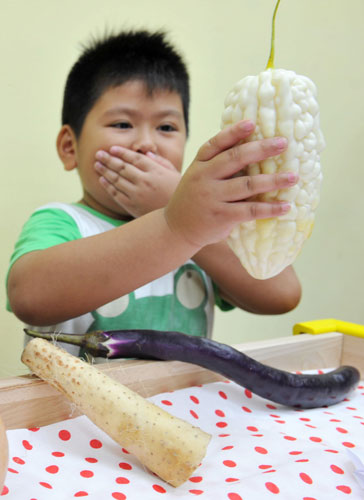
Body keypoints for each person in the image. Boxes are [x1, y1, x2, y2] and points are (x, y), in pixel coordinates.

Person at [6, 30, 301, 357]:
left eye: (166, 128)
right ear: (69, 147)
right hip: (76, 408)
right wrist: (173, 224)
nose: (147, 143)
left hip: (180, 408)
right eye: (121, 124)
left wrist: (185, 217)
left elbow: (282, 294)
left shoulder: (204, 230)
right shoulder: (63, 222)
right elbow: (30, 297)